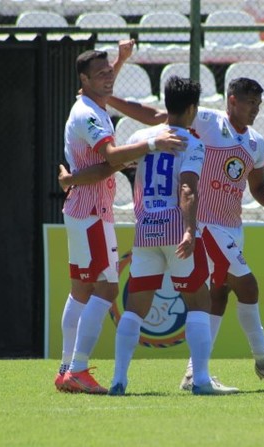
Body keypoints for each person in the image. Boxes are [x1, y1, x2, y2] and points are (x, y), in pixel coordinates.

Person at [107, 77, 264, 390]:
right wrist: (112, 100)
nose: (255, 110)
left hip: (231, 228)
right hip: (204, 225)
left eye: (259, 104)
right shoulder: (209, 123)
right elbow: (161, 116)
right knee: (248, 287)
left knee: (219, 295)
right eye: (250, 103)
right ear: (232, 100)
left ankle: (192, 374)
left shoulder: (256, 143)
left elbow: (258, 187)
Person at [55, 41, 186, 394]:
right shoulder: (90, 115)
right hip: (94, 212)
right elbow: (110, 157)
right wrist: (152, 145)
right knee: (108, 288)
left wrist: (120, 61)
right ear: (83, 79)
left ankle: (66, 368)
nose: (108, 79)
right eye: (101, 75)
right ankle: (78, 368)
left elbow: (105, 161)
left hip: (82, 208)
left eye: (110, 73)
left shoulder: (88, 104)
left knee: (81, 290)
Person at [108, 76, 238, 396]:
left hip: (145, 230)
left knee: (136, 307)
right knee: (199, 302)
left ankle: (118, 379)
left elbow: (116, 160)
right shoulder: (192, 143)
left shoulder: (142, 135)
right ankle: (202, 380)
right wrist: (191, 229)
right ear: (192, 108)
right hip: (175, 230)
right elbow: (187, 189)